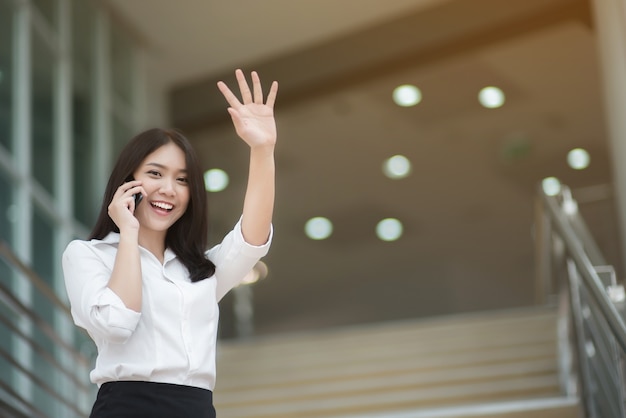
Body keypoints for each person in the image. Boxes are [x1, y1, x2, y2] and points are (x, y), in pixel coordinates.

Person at [62, 69, 278, 418]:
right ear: (127, 180)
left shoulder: (201, 270)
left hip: (196, 408)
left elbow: (252, 238)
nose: (168, 189)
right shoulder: (88, 255)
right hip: (126, 407)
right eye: (155, 174)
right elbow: (117, 324)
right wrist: (128, 233)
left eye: (182, 180)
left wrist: (263, 149)